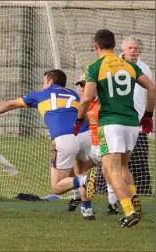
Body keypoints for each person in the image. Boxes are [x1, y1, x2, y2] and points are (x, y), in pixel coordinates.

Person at [0, 69, 96, 220]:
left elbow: (12, 104)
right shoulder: (72, 93)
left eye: (44, 81)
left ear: (50, 81)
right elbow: (82, 112)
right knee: (77, 170)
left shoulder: (39, 95)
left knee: (57, 187)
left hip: (64, 138)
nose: (42, 84)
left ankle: (84, 181)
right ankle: (86, 208)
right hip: (84, 135)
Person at [74, 29, 155, 228]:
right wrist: (148, 115)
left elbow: (87, 97)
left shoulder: (95, 66)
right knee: (124, 167)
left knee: (112, 170)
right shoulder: (129, 65)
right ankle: (133, 195)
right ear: (114, 44)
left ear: (96, 46)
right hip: (132, 123)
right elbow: (151, 87)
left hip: (111, 123)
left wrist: (79, 119)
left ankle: (129, 211)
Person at [68, 76, 119, 215]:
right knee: (75, 167)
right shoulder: (81, 104)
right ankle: (77, 197)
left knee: (106, 170)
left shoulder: (105, 103)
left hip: (106, 144)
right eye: (82, 86)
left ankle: (113, 203)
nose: (84, 88)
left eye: (86, 85)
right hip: (91, 146)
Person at [120, 36, 153, 195]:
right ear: (123, 49)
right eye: (130, 48)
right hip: (117, 119)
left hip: (137, 121)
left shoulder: (144, 68)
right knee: (112, 158)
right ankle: (104, 190)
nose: (133, 51)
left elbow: (149, 91)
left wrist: (148, 115)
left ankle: (144, 192)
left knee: (139, 158)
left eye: (136, 48)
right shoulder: (114, 64)